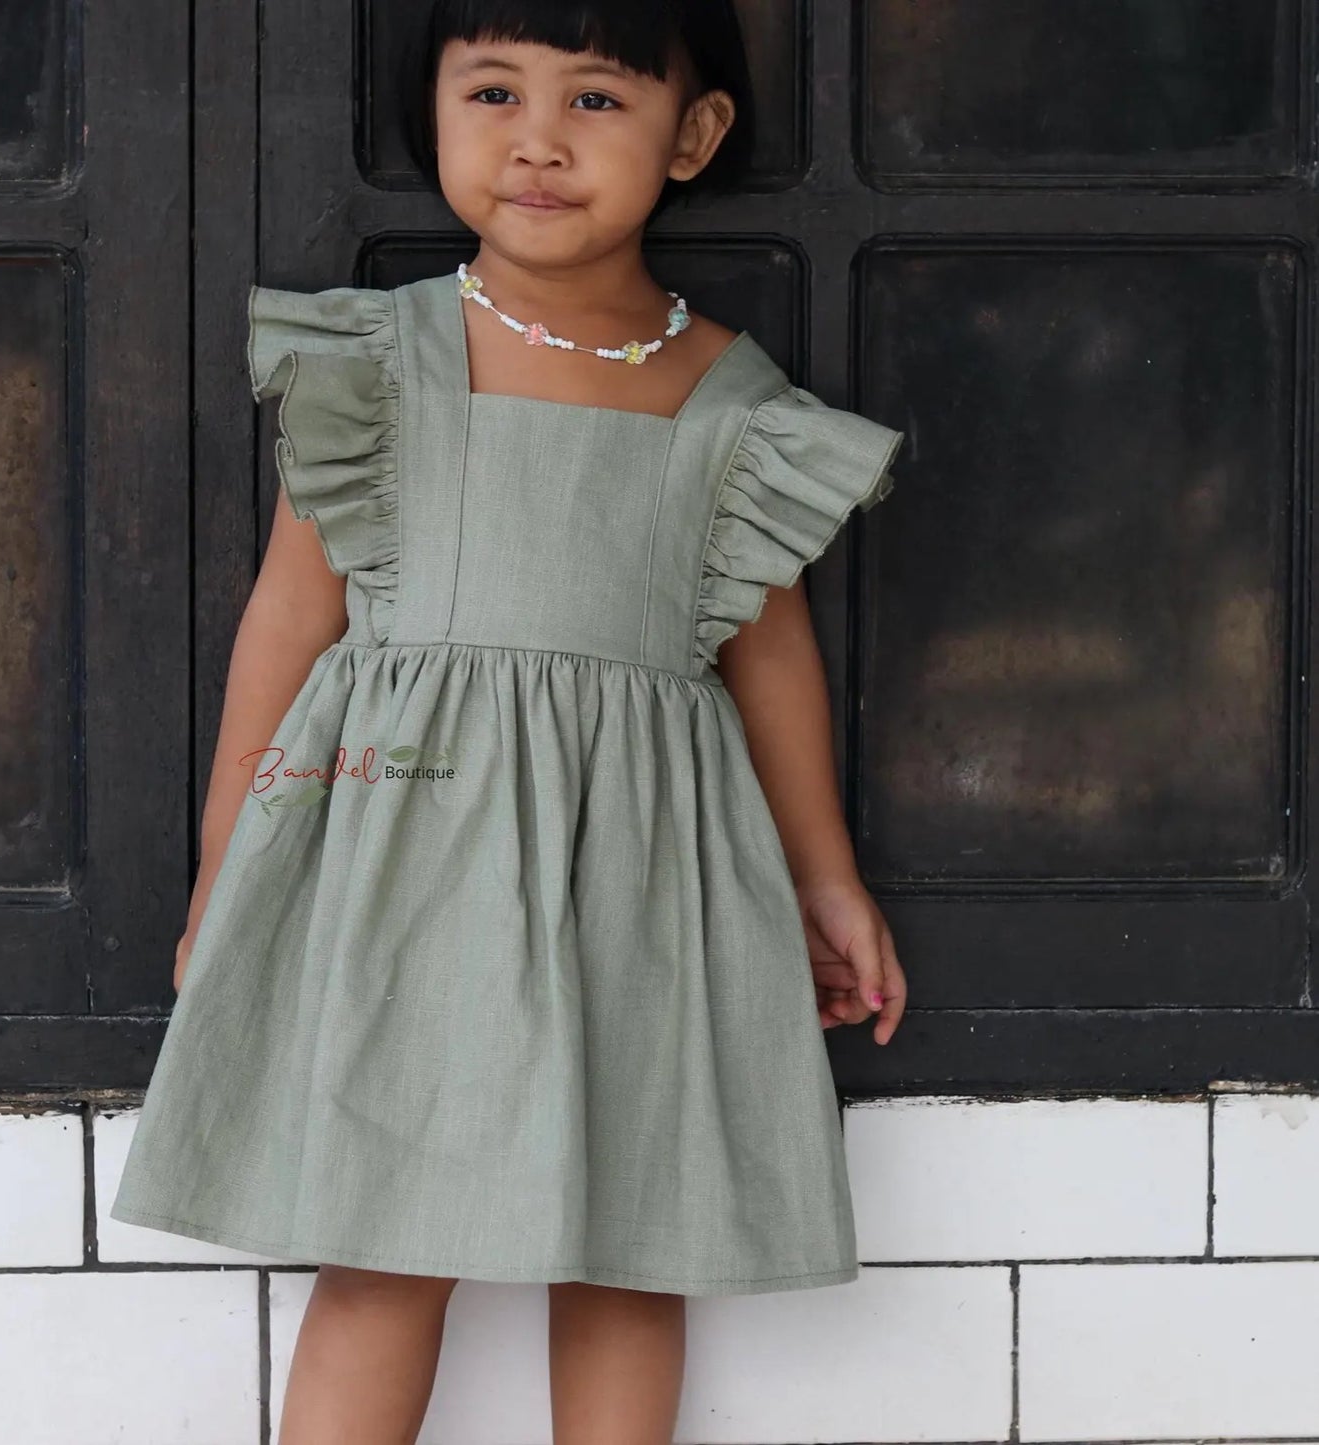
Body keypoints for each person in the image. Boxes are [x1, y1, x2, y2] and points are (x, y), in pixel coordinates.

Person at [111, 0, 910, 1439]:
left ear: (695, 134)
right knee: (381, 1250)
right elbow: (289, 624)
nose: (536, 141)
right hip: (405, 870)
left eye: (596, 102)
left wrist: (825, 876)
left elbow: (766, 652)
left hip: (638, 874)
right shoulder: (380, 363)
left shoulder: (732, 398)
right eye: (492, 91)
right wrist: (231, 863)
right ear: (435, 110)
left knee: (626, 1251)